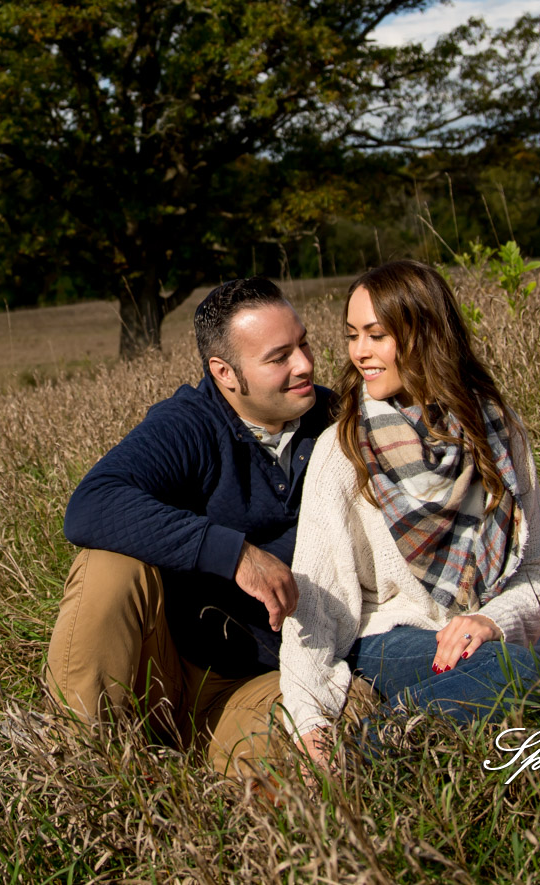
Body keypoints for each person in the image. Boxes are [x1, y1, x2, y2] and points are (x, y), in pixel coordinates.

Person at [280, 259, 540, 764]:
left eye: (377, 336)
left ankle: (401, 732)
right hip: (391, 639)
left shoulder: (495, 429)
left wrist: (491, 620)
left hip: (479, 634)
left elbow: (539, 568)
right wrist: (309, 716)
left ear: (425, 335)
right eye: (352, 335)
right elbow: (317, 597)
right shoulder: (343, 450)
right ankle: (363, 753)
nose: (360, 352)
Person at [46, 276, 332, 776]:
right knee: (109, 566)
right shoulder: (191, 423)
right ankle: (80, 770)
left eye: (304, 343)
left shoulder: (337, 419)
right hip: (158, 671)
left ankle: (216, 782)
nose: (304, 364)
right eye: (278, 357)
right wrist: (235, 554)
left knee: (347, 720)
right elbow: (91, 504)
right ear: (225, 373)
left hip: (262, 686)